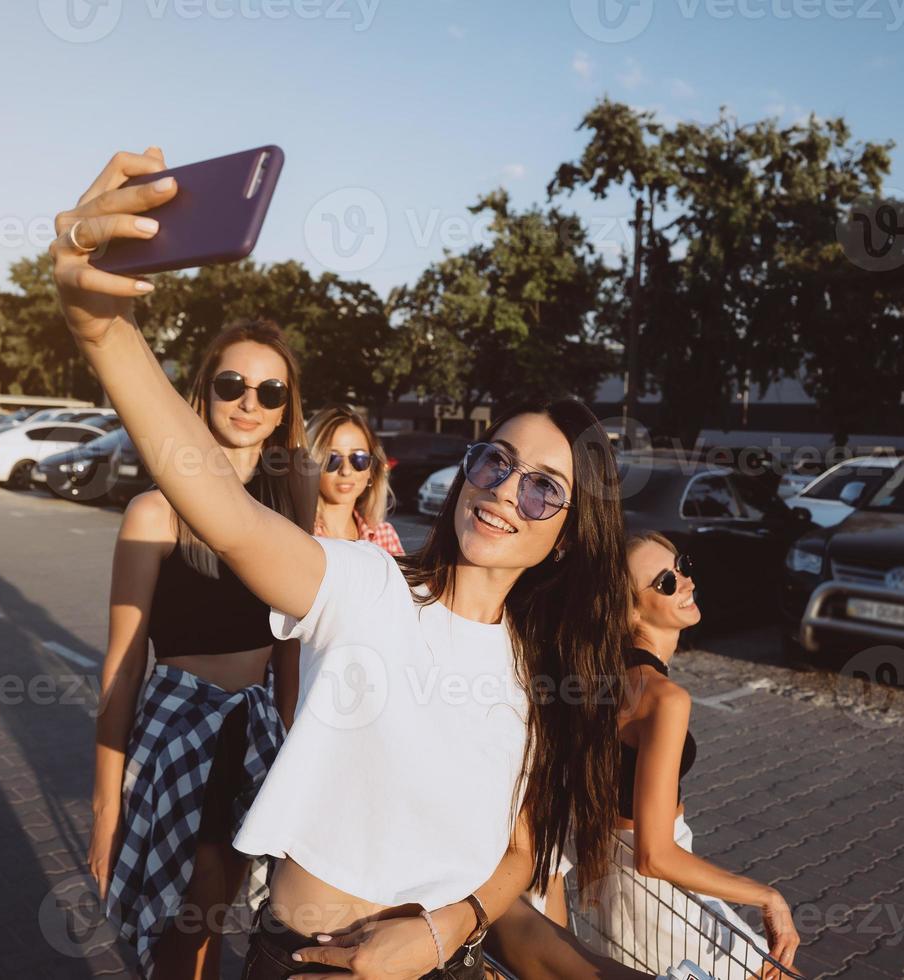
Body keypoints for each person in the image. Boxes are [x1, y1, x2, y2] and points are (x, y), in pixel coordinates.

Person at [50, 145, 629, 980]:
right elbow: (227, 512)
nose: (506, 492)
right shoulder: (367, 587)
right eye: (495, 462)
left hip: (443, 961)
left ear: (570, 533)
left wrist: (435, 934)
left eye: (543, 489)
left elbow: (520, 853)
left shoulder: (538, 668)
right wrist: (103, 333)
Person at [87, 317, 315, 979]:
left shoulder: (291, 506)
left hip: (256, 731)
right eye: (232, 384)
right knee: (185, 925)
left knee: (217, 916)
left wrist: (297, 750)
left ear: (284, 413)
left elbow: (290, 651)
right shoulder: (153, 513)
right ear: (202, 395)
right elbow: (123, 662)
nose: (250, 402)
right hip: (180, 730)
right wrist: (106, 804)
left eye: (271, 392)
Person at [567, 531, 800, 980]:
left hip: (610, 887)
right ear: (630, 608)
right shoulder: (664, 699)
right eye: (665, 582)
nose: (686, 581)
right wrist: (768, 896)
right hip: (657, 897)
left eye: (684, 566)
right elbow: (655, 855)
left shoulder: (598, 676)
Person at [306, 404, 404, 556]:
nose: (345, 470)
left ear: (371, 470)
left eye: (359, 458)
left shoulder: (383, 535)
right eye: (331, 459)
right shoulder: (299, 535)